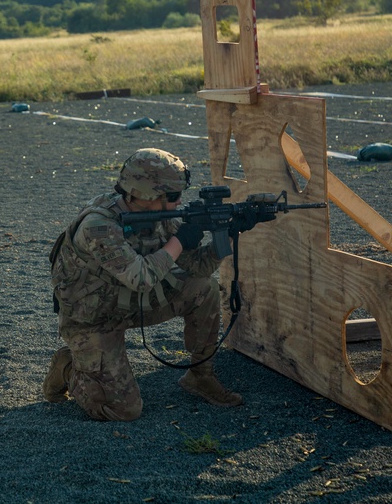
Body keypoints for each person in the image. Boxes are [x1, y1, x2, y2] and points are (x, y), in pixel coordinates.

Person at [43, 148, 243, 422]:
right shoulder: (99, 226)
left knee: (204, 288)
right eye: (173, 196)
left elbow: (198, 267)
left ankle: (200, 375)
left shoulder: (162, 216)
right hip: (92, 318)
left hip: (128, 302)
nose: (179, 201)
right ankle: (67, 367)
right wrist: (181, 240)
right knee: (124, 410)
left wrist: (229, 235)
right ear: (150, 195)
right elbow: (141, 277)